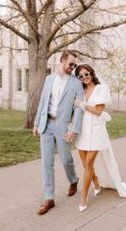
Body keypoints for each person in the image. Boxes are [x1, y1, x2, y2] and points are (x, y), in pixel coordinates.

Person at [74, 63, 126, 212]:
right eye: (81, 76)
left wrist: (81, 104)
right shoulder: (81, 90)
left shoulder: (102, 89)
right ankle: (96, 182)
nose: (84, 77)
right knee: (85, 164)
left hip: (96, 131)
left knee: (88, 163)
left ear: (91, 73)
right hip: (83, 130)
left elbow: (97, 111)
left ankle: (84, 197)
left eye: (86, 74)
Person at [32, 50, 84, 215]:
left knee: (66, 159)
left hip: (63, 128)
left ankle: (73, 180)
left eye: (74, 65)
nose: (73, 67)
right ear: (62, 61)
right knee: (47, 163)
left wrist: (74, 130)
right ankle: (49, 198)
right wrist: (36, 124)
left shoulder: (76, 83)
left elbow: (79, 109)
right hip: (46, 125)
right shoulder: (49, 79)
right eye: (71, 64)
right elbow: (43, 101)